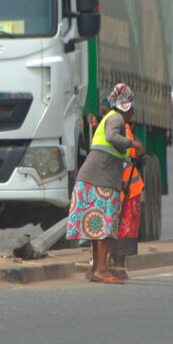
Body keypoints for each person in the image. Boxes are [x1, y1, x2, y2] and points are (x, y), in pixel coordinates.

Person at [66, 83, 145, 284]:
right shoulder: (116, 119)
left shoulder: (108, 119)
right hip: (100, 181)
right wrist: (133, 143)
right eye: (131, 112)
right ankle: (101, 269)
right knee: (103, 227)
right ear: (128, 109)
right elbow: (112, 137)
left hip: (93, 178)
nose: (130, 117)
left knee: (96, 227)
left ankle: (96, 270)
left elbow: (112, 152)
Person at [110, 118, 145, 280]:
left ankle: (120, 267)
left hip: (129, 188)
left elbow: (132, 152)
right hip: (114, 188)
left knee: (125, 229)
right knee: (113, 227)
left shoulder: (123, 128)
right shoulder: (105, 129)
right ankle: (111, 265)